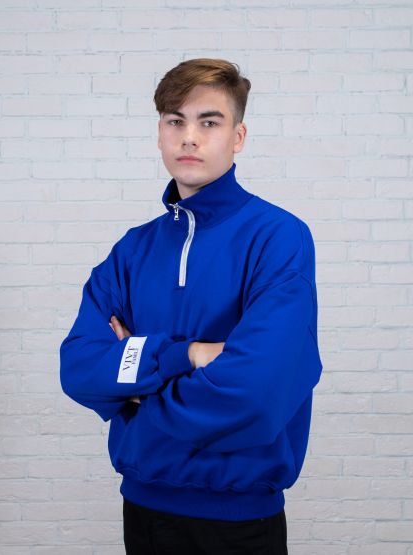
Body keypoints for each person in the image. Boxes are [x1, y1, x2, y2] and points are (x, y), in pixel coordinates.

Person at [60, 58, 323, 555]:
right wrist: (191, 355)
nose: (189, 138)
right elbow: (78, 368)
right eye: (175, 121)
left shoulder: (278, 238)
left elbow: (256, 392)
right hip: (143, 513)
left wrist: (136, 392)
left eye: (209, 122)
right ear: (160, 133)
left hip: (239, 524)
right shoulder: (132, 250)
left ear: (238, 137)